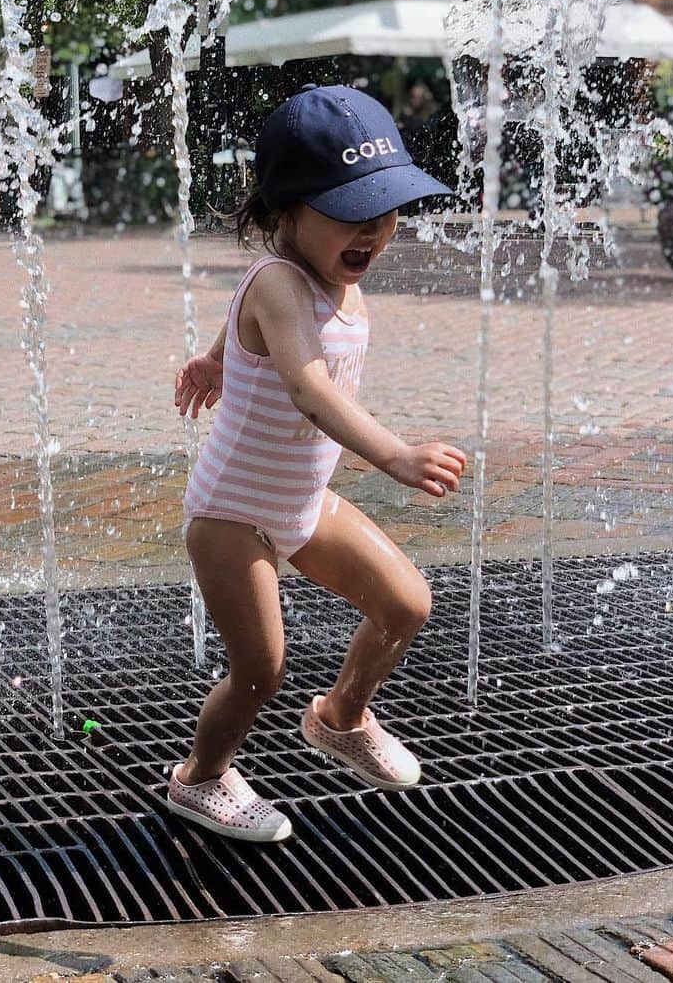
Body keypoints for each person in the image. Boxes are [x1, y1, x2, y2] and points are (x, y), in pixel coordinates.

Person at [168, 84, 467, 843]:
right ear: (285, 212)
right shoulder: (279, 280)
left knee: (406, 604)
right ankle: (199, 778)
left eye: (387, 209)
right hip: (233, 513)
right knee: (262, 668)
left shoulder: (336, 279)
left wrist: (215, 358)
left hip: (300, 501)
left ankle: (341, 717)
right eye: (349, 212)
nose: (373, 229)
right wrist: (395, 455)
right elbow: (304, 383)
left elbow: (250, 332)